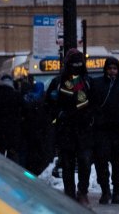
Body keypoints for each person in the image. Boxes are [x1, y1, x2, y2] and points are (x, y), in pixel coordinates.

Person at [46, 48, 95, 205]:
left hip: (83, 129)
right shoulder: (59, 82)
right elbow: (49, 104)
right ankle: (69, 192)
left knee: (84, 162)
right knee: (67, 163)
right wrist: (59, 116)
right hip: (66, 129)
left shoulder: (86, 82)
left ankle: (82, 191)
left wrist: (90, 118)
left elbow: (93, 103)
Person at [90, 56, 119, 204]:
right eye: (109, 68)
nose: (112, 71)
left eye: (114, 68)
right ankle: (105, 191)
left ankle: (117, 192)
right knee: (101, 161)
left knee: (118, 162)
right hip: (101, 129)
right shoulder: (97, 84)